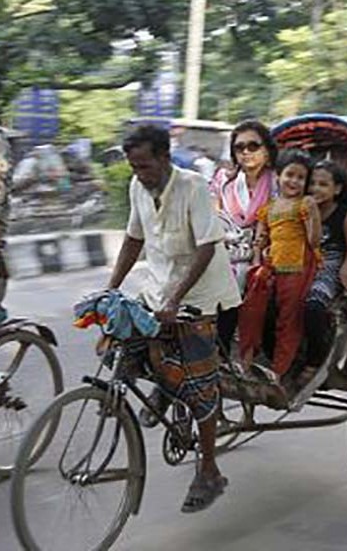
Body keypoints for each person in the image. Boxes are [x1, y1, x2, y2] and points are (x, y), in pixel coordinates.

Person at [106, 125, 241, 513]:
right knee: (125, 336)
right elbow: (134, 238)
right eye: (133, 166)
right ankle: (165, 388)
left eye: (145, 165)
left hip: (201, 295)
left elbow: (205, 247)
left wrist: (177, 299)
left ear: (165, 158)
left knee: (201, 386)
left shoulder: (194, 187)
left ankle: (210, 471)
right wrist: (111, 286)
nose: (139, 173)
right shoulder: (138, 188)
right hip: (161, 287)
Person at [237, 149, 321, 385]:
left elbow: (314, 241)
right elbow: (261, 239)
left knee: (288, 319)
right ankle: (247, 357)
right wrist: (257, 259)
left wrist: (313, 215)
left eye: (300, 178)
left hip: (299, 269)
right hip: (272, 267)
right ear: (278, 177)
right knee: (252, 306)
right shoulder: (269, 207)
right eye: (290, 175)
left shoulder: (305, 204)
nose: (294, 181)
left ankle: (280, 369)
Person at [209, 120, 278, 355]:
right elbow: (211, 215)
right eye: (240, 148)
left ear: (267, 149)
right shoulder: (224, 180)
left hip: (265, 253)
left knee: (245, 285)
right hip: (224, 249)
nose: (246, 152)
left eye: (253, 146)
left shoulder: (279, 182)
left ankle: (228, 351)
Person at [301, 160, 347, 385]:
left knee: (313, 306)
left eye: (323, 184)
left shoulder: (344, 213)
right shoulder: (302, 207)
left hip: (330, 263)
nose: (316, 189)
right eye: (313, 183)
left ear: (337, 189)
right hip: (303, 261)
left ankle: (316, 360)